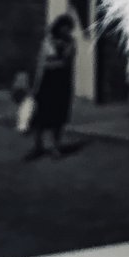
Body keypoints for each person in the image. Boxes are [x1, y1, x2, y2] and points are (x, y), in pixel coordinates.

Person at [25, 13, 76, 160]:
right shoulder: (48, 41)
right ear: (58, 27)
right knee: (40, 116)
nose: (67, 31)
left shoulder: (70, 42)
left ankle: (55, 147)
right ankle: (38, 146)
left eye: (69, 28)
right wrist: (35, 85)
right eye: (65, 28)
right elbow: (42, 63)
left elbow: (67, 62)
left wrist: (55, 60)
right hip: (46, 82)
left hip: (62, 83)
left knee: (58, 117)